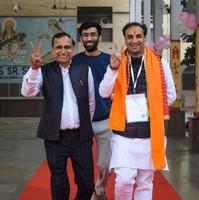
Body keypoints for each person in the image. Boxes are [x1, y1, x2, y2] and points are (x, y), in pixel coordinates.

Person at [99, 22, 177, 200]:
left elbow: (170, 95)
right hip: (123, 134)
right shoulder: (117, 61)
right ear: (125, 39)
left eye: (138, 36)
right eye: (130, 37)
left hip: (150, 133)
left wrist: (151, 107)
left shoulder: (160, 63)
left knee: (145, 183)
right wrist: (112, 68)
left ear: (144, 38)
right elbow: (103, 92)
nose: (134, 40)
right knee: (124, 181)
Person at [21, 32, 96, 200]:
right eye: (59, 47)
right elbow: (28, 92)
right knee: (59, 183)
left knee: (87, 183)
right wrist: (33, 69)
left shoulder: (84, 70)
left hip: (80, 137)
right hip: (55, 138)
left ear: (73, 49)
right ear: (53, 50)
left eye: (67, 47)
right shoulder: (43, 71)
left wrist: (84, 124)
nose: (63, 51)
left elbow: (91, 102)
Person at [73, 22, 111, 200]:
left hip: (106, 120)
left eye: (93, 34)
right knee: (83, 163)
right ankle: (86, 192)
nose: (89, 38)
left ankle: (100, 189)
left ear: (99, 37)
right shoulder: (75, 61)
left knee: (106, 162)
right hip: (82, 122)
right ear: (81, 38)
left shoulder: (110, 60)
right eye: (85, 35)